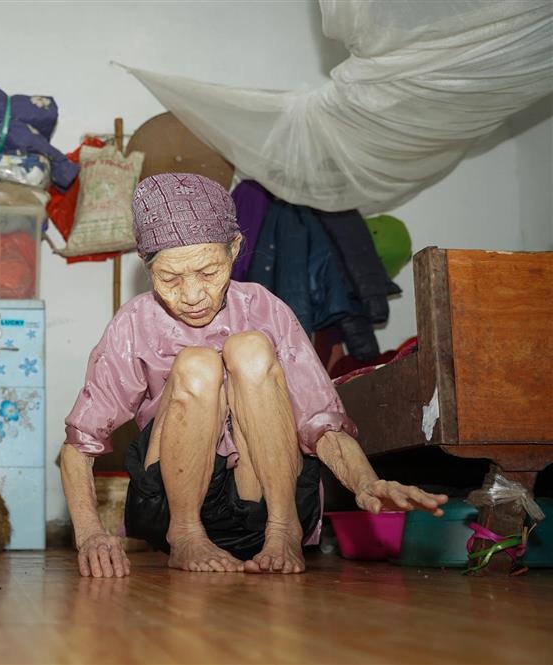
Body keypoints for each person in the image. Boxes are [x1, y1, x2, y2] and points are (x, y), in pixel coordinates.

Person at [60, 173, 447, 577]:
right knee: (198, 364)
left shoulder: (265, 308)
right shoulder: (137, 320)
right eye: (170, 279)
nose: (191, 296)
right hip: (173, 505)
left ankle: (283, 529)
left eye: (208, 273)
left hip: (261, 496)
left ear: (235, 250)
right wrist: (89, 533)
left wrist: (366, 483)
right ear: (148, 267)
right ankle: (187, 534)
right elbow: (79, 443)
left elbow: (321, 420)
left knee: (249, 349)